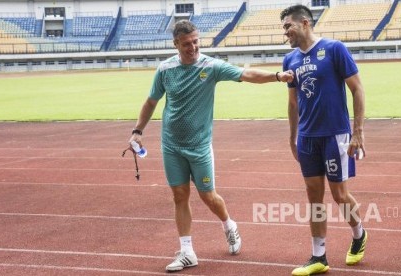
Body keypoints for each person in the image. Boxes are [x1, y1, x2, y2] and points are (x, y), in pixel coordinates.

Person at [128, 20, 293, 272]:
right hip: (171, 145)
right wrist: (138, 130)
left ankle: (229, 225)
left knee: (208, 196)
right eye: (186, 44)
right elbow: (152, 101)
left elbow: (245, 74)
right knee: (179, 196)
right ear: (176, 44)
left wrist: (277, 76)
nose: (193, 47)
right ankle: (187, 252)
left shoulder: (211, 66)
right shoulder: (165, 70)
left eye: (195, 42)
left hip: (200, 146)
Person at [280, 5, 367, 276]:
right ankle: (319, 256)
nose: (285, 33)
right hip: (307, 138)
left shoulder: (334, 49)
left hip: (335, 134)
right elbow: (293, 103)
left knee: (339, 194)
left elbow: (357, 88)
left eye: (288, 26)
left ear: (304, 23)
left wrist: (358, 131)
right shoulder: (289, 60)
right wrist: (293, 136)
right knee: (314, 197)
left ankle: (359, 234)